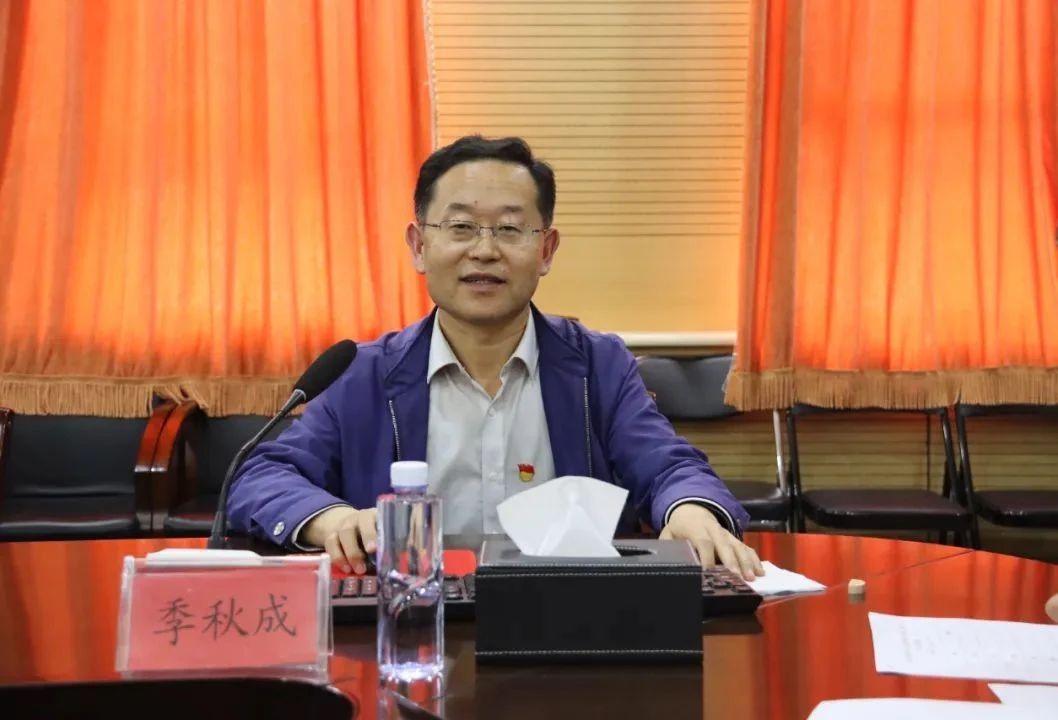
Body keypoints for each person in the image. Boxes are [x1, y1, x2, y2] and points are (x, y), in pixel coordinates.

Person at [227, 135, 764, 580]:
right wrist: (330, 519)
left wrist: (691, 510)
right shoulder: (363, 373)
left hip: (568, 617)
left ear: (546, 251)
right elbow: (263, 475)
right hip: (413, 618)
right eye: (460, 227)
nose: (484, 250)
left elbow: (669, 466)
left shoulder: (598, 365)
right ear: (419, 246)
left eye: (510, 229)